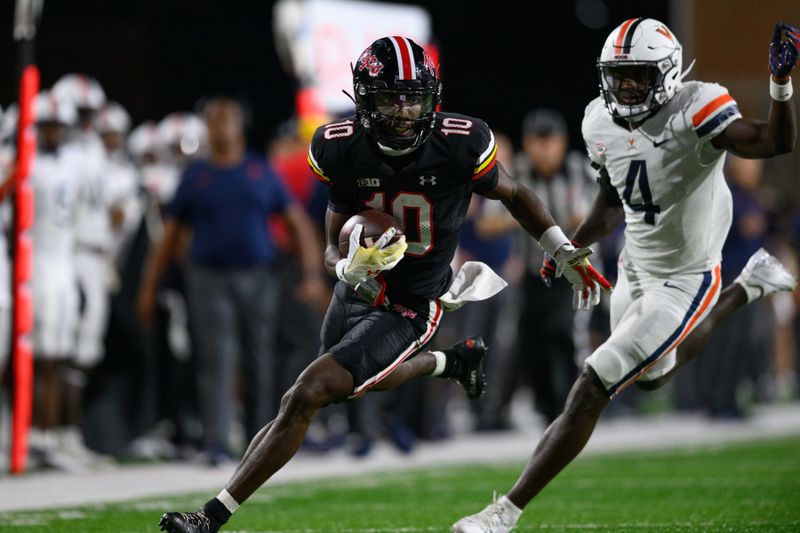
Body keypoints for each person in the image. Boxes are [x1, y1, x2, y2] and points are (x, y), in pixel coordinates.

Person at [158, 36, 609, 533]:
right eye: (390, 97)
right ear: (364, 98)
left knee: (306, 393)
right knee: (333, 393)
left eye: (413, 96)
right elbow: (334, 241)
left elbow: (515, 192)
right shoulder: (339, 146)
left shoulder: (459, 142)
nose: (403, 110)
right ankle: (450, 361)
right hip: (359, 290)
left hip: (414, 301)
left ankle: (209, 518)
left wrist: (560, 248)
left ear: (431, 94)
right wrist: (345, 266)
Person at [453, 19, 799, 532]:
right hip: (636, 264)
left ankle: (504, 513)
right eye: (617, 76)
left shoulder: (696, 106)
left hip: (688, 272)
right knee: (652, 379)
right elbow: (615, 199)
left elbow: (772, 142)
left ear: (667, 72)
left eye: (637, 76)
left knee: (595, 381)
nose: (625, 87)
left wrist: (780, 84)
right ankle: (748, 287)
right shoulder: (599, 120)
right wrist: (574, 245)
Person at [138, 96, 327, 464]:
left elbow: (298, 223)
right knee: (216, 359)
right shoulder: (196, 176)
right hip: (208, 278)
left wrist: (310, 274)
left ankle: (260, 438)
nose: (221, 127)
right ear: (207, 128)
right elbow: (169, 238)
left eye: (228, 120)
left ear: (240, 126)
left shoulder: (259, 170)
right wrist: (149, 288)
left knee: (260, 357)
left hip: (258, 276)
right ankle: (218, 440)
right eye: (215, 120)